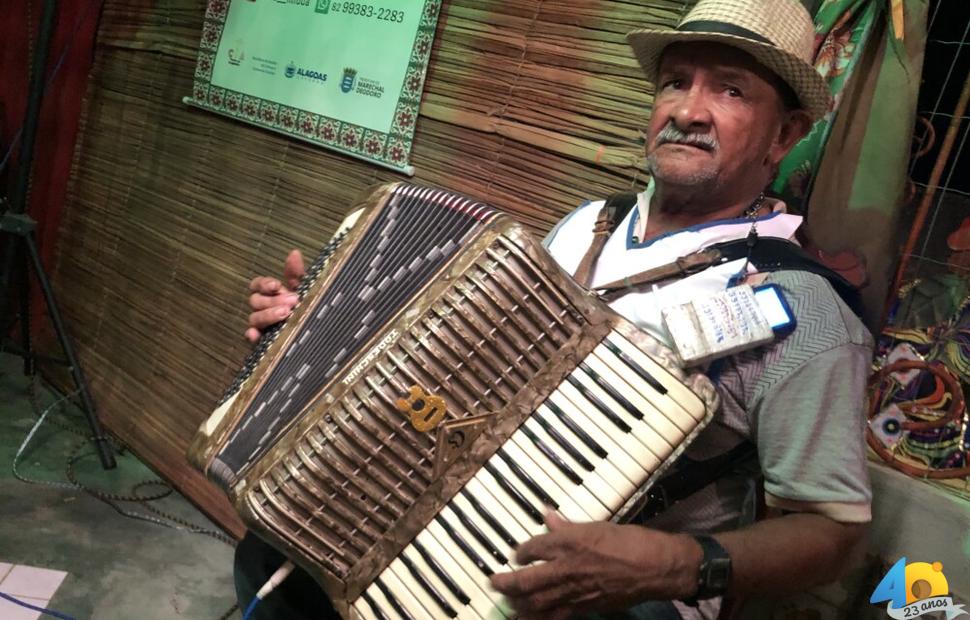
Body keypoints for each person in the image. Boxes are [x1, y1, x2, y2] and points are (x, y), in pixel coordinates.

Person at [239, 0, 873, 618]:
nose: (686, 110)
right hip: (460, 514)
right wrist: (326, 330)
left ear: (785, 135)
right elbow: (479, 376)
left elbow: (833, 535)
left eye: (731, 92)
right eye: (675, 82)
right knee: (268, 557)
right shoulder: (587, 224)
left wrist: (674, 564)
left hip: (627, 591)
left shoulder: (805, 310)